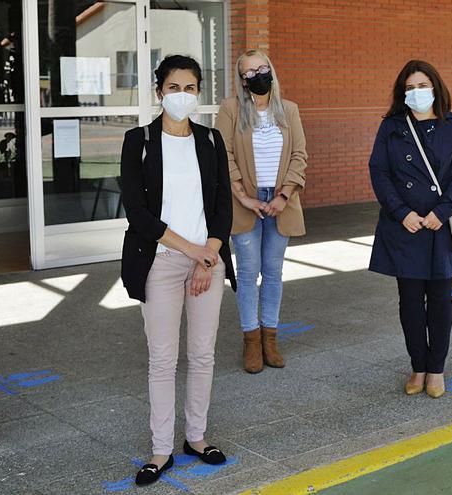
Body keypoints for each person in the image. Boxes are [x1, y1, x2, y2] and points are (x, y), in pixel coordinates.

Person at [120, 55, 236, 486]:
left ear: (198, 92)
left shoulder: (210, 140)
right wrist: (192, 252)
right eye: (174, 88)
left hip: (208, 257)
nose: (182, 95)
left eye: (190, 88)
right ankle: (161, 449)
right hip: (162, 260)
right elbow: (138, 213)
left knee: (203, 354)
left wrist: (210, 253)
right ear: (158, 92)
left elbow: (223, 203)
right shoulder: (139, 140)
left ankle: (197, 438)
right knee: (163, 359)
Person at [368, 60, 452, 398]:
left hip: (440, 226)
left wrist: (443, 211)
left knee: (441, 300)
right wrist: (402, 212)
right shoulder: (392, 127)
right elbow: (379, 172)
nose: (417, 93)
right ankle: (418, 365)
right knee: (410, 302)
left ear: (436, 87)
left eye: (422, 86)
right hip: (406, 228)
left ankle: (437, 368)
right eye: (410, 88)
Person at [215, 49, 308, 374]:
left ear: (271, 70)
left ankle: (270, 339)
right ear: (242, 80)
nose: (257, 75)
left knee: (272, 273)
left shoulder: (290, 110)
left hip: (281, 202)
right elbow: (221, 153)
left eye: (262, 68)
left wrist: (284, 195)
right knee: (247, 272)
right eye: (249, 72)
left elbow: (299, 155)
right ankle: (251, 341)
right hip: (246, 204)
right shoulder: (230, 109)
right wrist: (242, 196)